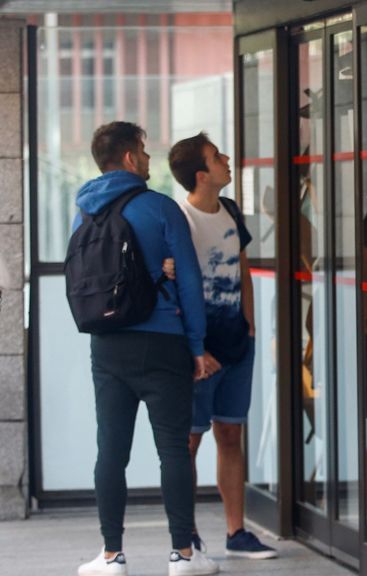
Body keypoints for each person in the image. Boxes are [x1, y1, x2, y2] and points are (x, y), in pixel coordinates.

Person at [74, 122, 219, 576]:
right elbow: (191, 282)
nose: (150, 159)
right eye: (144, 150)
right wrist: (197, 345)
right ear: (131, 158)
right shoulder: (160, 208)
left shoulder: (83, 209)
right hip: (164, 343)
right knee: (174, 449)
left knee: (110, 451)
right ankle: (183, 555)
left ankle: (111, 556)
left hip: (107, 344)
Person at [167, 132, 277, 560]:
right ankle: (187, 533)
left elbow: (243, 268)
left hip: (236, 343)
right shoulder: (180, 219)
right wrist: (195, 348)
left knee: (230, 434)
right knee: (190, 442)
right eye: (217, 157)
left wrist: (249, 325)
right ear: (201, 175)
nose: (226, 160)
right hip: (199, 351)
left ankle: (237, 532)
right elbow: (172, 289)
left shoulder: (229, 210)